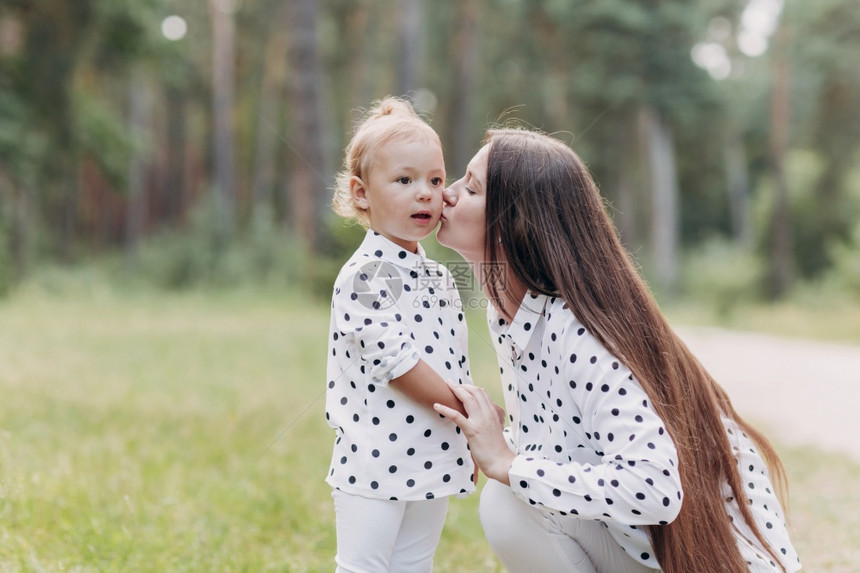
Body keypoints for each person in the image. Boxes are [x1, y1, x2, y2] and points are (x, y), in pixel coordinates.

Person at [433, 128, 801, 572]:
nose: (446, 194)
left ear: (515, 224)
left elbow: (654, 488)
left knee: (506, 500)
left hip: (710, 562)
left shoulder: (575, 330)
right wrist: (492, 442)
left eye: (470, 187)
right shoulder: (510, 316)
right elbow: (567, 446)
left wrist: (509, 463)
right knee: (512, 493)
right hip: (641, 551)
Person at [324, 96, 475, 573]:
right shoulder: (366, 274)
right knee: (364, 565)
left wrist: (463, 439)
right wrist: (471, 412)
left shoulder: (437, 276)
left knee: (415, 564)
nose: (427, 193)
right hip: (376, 457)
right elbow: (398, 365)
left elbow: (452, 359)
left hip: (431, 452)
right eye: (405, 181)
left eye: (435, 179)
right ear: (362, 193)